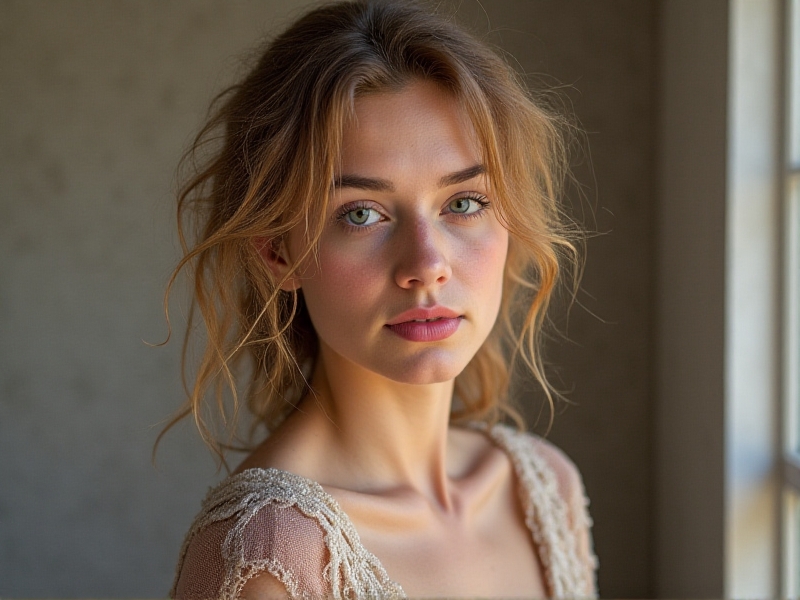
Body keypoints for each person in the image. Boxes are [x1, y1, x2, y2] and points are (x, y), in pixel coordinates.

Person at [165, 1, 597, 598]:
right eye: (362, 214)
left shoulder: (546, 490)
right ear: (277, 252)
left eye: (464, 203)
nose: (426, 266)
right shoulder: (273, 556)